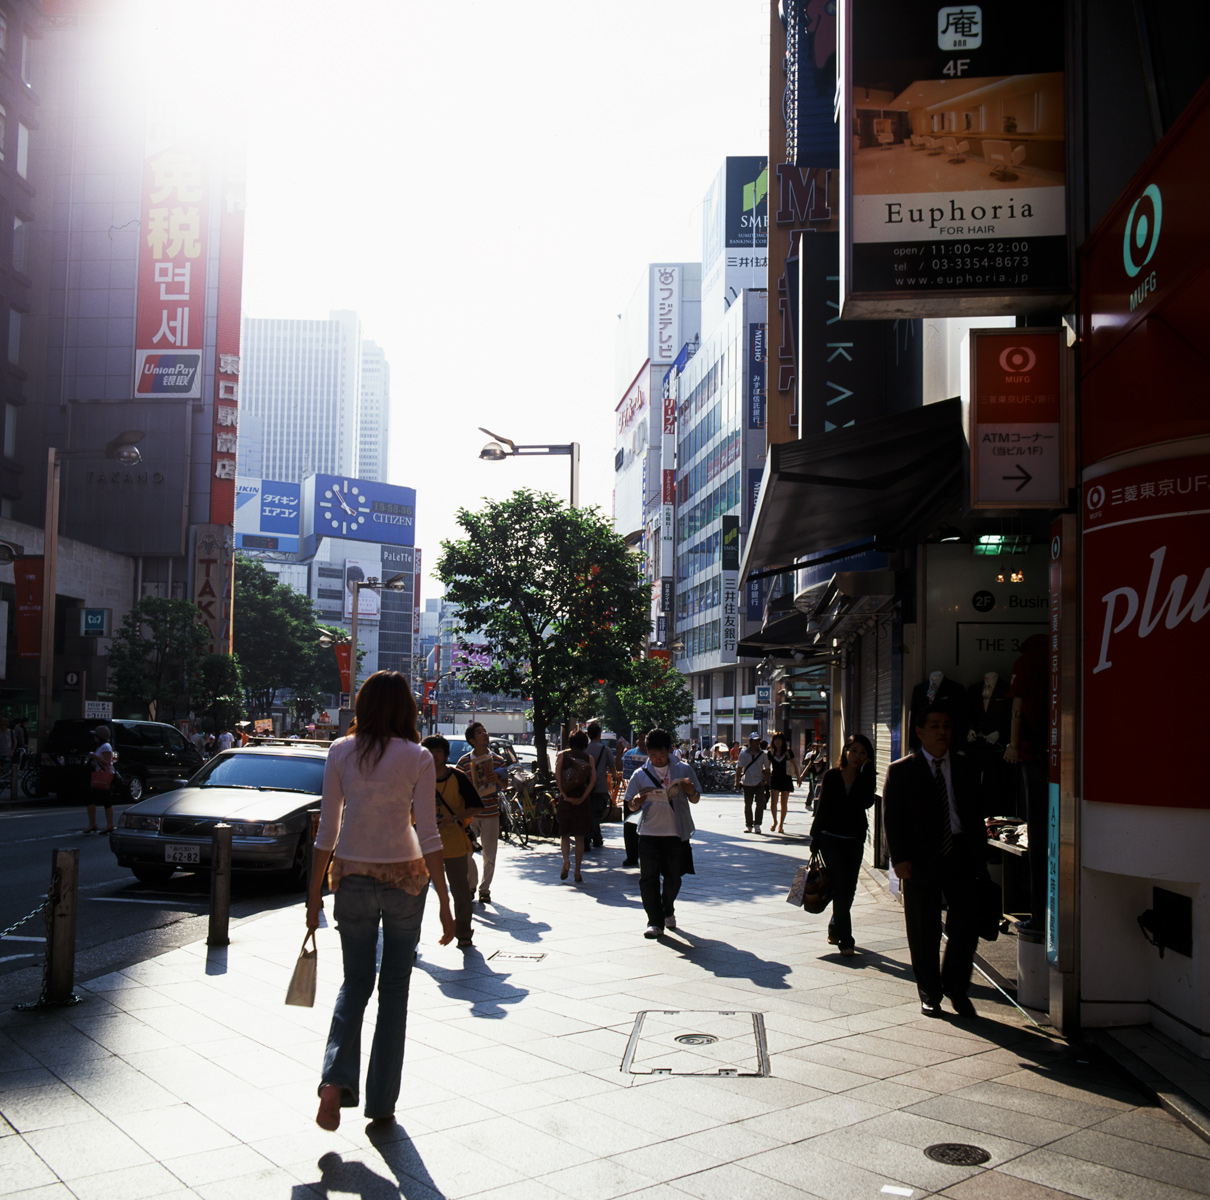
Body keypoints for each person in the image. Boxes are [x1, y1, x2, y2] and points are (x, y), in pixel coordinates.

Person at [307, 671, 455, 1131]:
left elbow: (326, 831)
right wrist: (447, 904)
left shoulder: (339, 752)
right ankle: (381, 1104)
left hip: (349, 874)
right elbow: (429, 834)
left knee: (355, 983)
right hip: (406, 878)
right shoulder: (418, 757)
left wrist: (312, 896)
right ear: (408, 709)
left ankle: (333, 1082)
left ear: (363, 705)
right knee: (394, 989)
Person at [882, 706, 987, 1019]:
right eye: (935, 726)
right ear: (919, 731)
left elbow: (975, 816)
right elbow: (892, 818)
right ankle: (930, 991)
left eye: (947, 726)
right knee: (923, 930)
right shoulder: (902, 770)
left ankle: (956, 988)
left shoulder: (966, 768)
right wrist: (898, 860)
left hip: (961, 854)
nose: (943, 732)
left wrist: (981, 860)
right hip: (920, 860)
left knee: (966, 929)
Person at [622, 728, 701, 938]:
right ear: (647, 752)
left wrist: (690, 790)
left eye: (662, 756)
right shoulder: (640, 775)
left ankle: (668, 909)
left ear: (669, 750)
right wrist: (637, 802)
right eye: (653, 756)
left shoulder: (683, 770)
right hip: (648, 833)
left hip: (676, 833)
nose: (657, 760)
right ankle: (654, 922)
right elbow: (630, 805)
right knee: (648, 879)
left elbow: (695, 798)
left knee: (674, 878)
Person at [809, 734, 877, 956]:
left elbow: (866, 802)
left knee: (849, 889)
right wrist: (815, 838)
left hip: (854, 839)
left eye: (863, 753)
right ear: (846, 751)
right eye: (854, 750)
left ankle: (834, 925)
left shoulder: (867, 777)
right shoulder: (831, 776)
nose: (857, 756)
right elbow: (823, 808)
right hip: (830, 838)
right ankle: (846, 940)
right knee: (839, 886)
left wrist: (865, 775)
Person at [421, 735, 482, 950]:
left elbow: (476, 805)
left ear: (445, 755)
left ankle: (463, 932)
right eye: (429, 751)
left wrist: (455, 818)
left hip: (454, 841)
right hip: (423, 841)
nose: (434, 756)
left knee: (460, 890)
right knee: (416, 892)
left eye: (438, 752)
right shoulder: (418, 777)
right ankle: (410, 940)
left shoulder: (457, 777)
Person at [456, 722, 508, 905]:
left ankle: (484, 889)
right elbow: (457, 789)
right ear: (472, 740)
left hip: (491, 812)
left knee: (490, 853)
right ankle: (471, 885)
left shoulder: (498, 760)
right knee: (467, 851)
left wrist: (497, 780)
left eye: (485, 731)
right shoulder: (463, 762)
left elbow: (505, 786)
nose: (485, 734)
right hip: (470, 813)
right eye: (480, 732)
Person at [555, 731, 596, 882]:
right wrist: (583, 797)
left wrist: (565, 796)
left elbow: (558, 777)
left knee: (564, 835)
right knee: (580, 837)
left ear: (570, 741)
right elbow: (593, 781)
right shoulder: (588, 758)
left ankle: (566, 860)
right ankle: (578, 870)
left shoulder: (562, 755)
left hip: (566, 800)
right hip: (582, 800)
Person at [584, 722, 613, 852]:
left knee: (589, 813)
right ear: (599, 734)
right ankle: (587, 837)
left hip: (586, 788)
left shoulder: (585, 749)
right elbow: (612, 767)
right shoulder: (604, 749)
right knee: (596, 814)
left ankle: (597, 838)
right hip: (600, 786)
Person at [82, 725, 116, 834]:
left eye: (95, 736)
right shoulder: (101, 746)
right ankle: (99, 824)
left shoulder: (106, 747)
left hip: (105, 777)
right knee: (100, 800)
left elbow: (107, 762)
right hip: (100, 775)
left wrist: (94, 757)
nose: (94, 738)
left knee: (101, 800)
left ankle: (103, 824)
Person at [735, 733, 770, 832]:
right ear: (750, 742)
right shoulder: (743, 754)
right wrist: (736, 781)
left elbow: (767, 768)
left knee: (760, 803)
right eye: (755, 741)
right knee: (748, 804)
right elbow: (739, 768)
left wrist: (765, 781)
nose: (757, 743)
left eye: (758, 740)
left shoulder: (763, 754)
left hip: (759, 782)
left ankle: (757, 824)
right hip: (747, 782)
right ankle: (748, 824)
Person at [765, 733, 798, 833]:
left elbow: (794, 765)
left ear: (783, 741)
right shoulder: (770, 753)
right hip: (774, 779)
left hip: (786, 779)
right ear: (773, 741)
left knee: (784, 803)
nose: (777, 742)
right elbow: (767, 767)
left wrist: (799, 777)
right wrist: (765, 778)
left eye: (779, 740)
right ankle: (775, 821)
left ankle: (781, 824)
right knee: (773, 803)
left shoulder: (788, 752)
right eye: (775, 740)